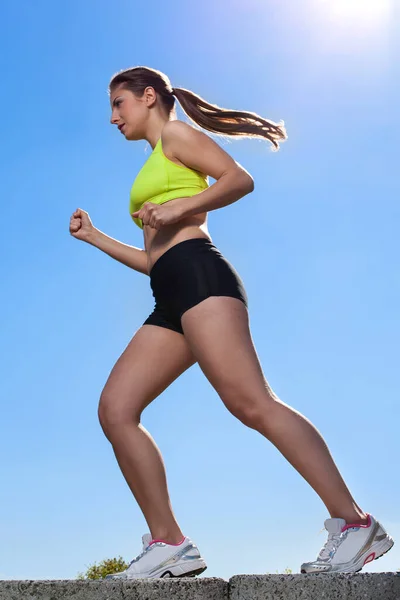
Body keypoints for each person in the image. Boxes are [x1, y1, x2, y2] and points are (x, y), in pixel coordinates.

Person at [69, 66, 394, 579]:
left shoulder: (175, 135)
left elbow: (238, 178)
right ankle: (169, 544)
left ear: (148, 96)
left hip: (201, 279)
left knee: (251, 403)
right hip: (170, 291)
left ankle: (355, 524)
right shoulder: (157, 159)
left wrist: (182, 211)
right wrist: (97, 238)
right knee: (116, 408)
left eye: (118, 104)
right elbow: (154, 259)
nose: (113, 117)